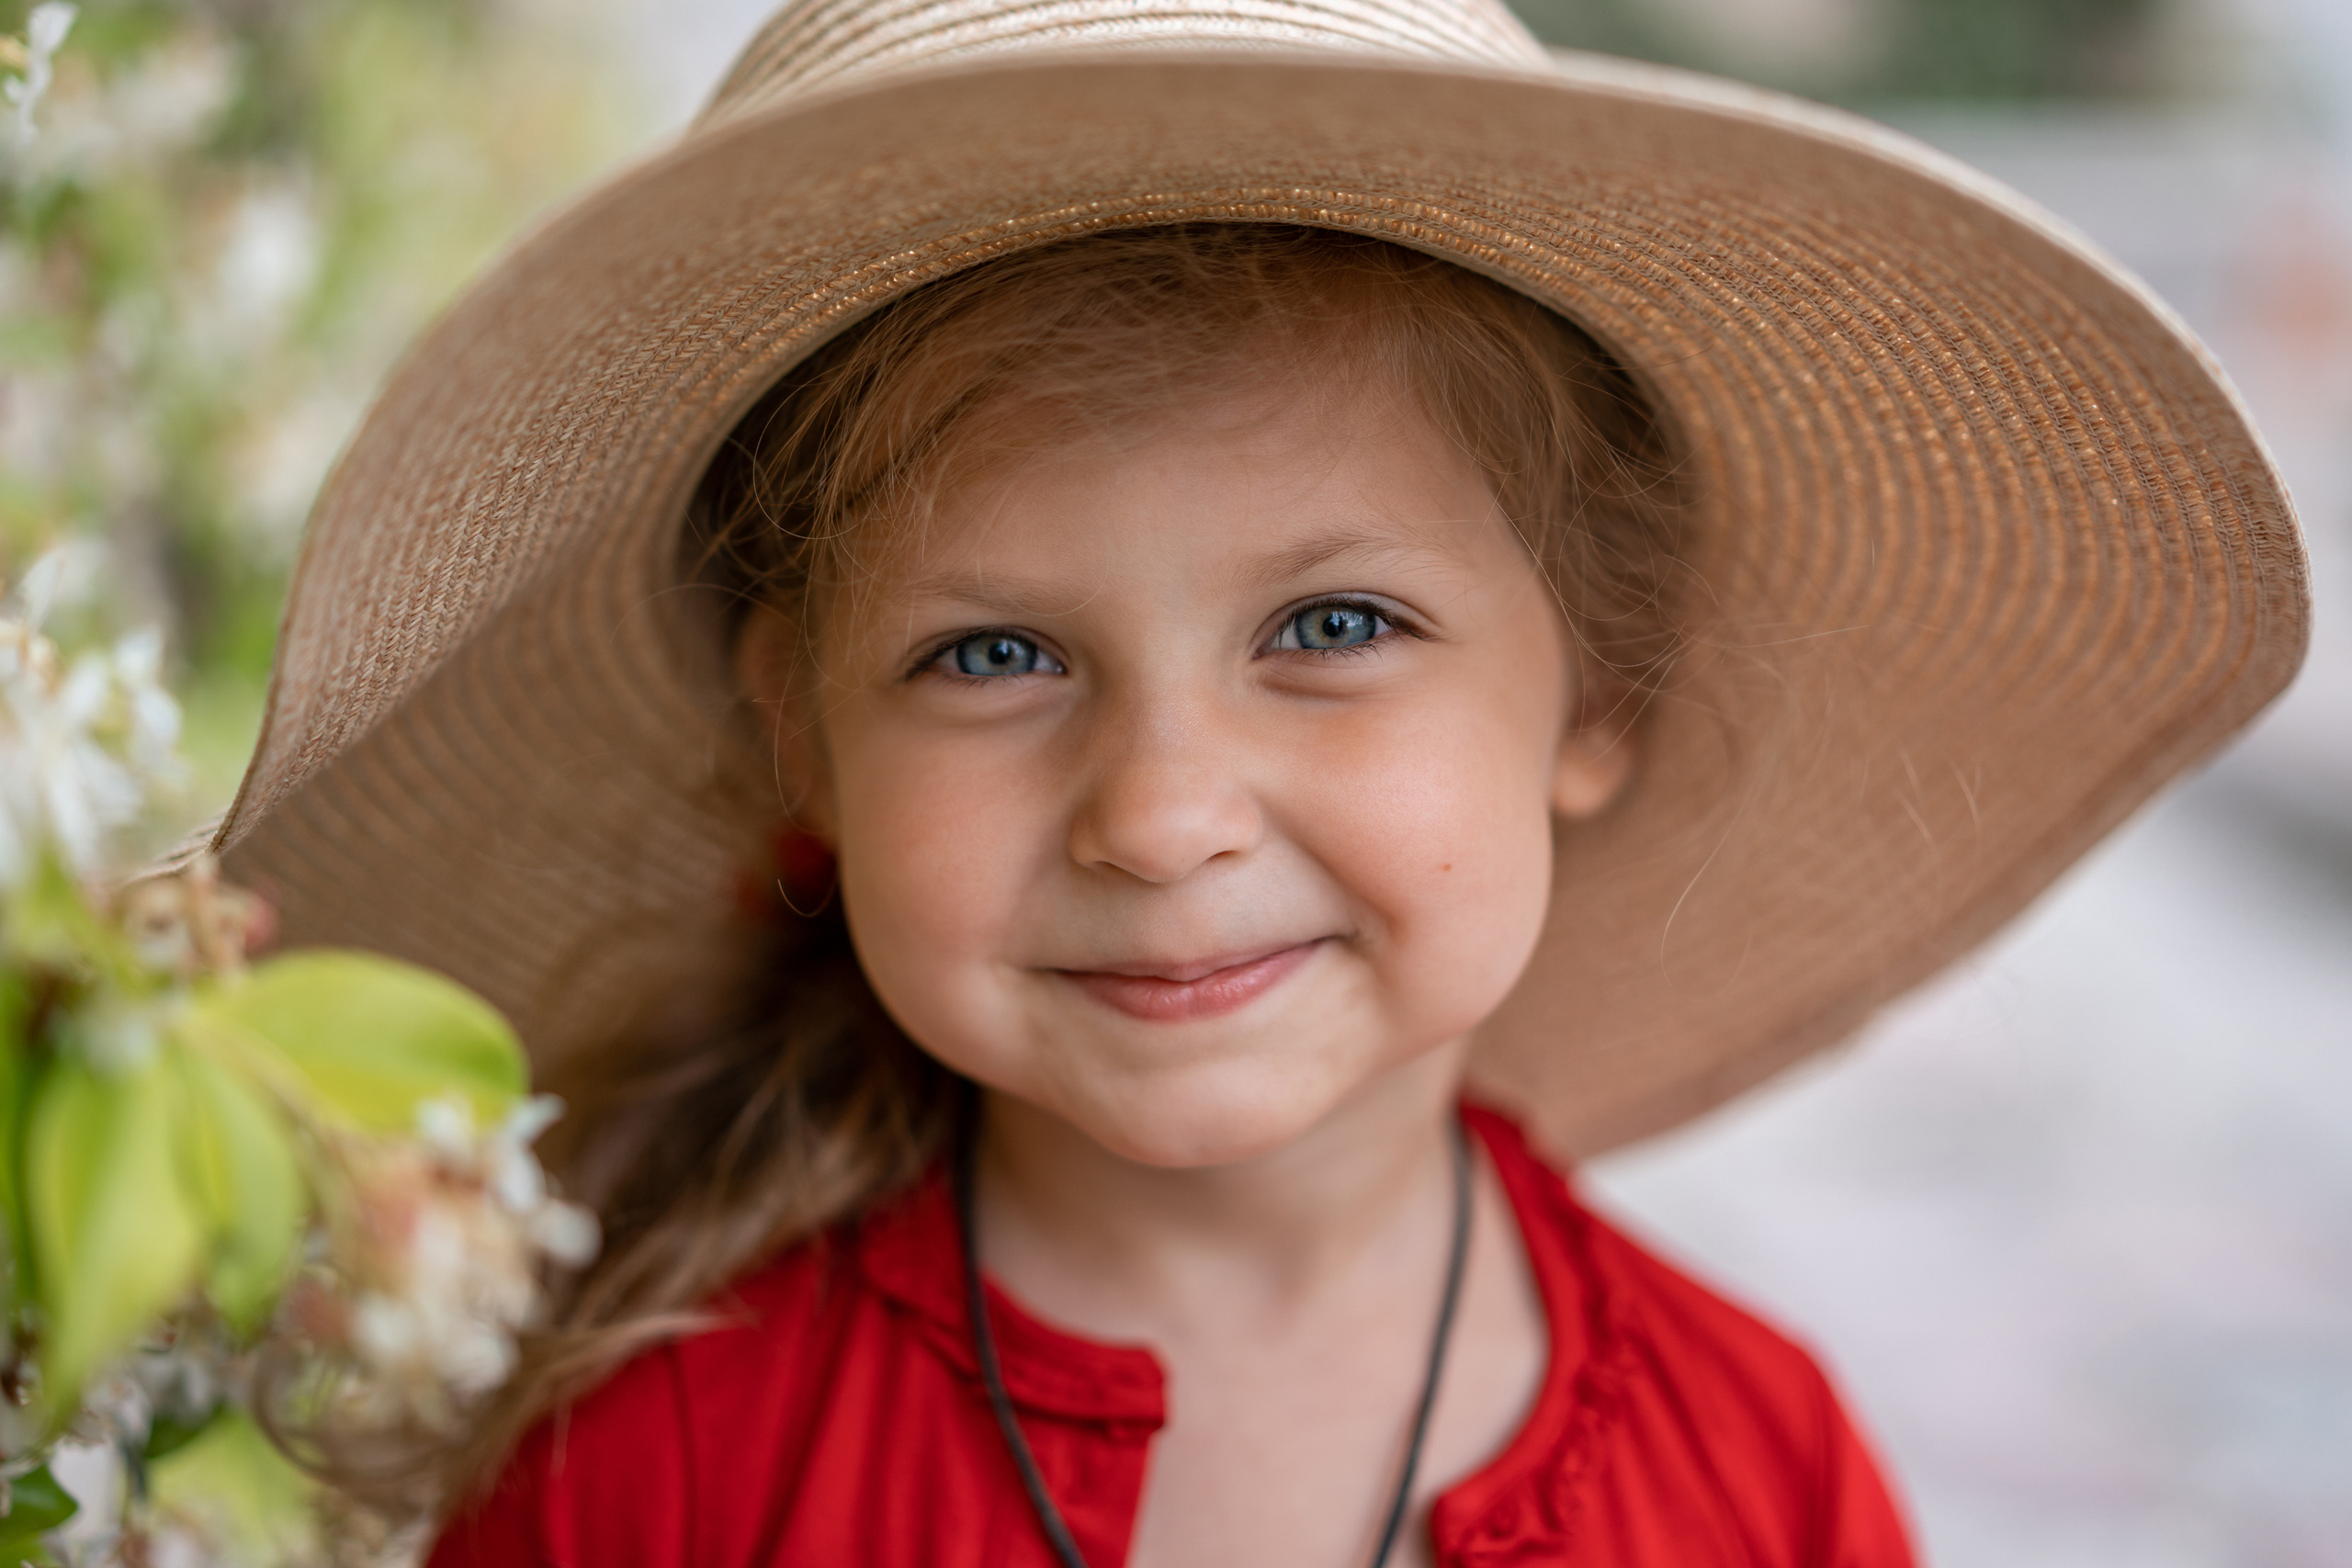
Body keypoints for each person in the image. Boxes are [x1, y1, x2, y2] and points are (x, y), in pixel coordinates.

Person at [212, 0, 2308, 1563]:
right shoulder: (659, 1460)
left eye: (1331, 624)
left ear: (1594, 692)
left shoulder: (1756, 1476)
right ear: (803, 739)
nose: (1160, 813)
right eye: (993, 654)